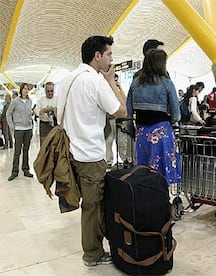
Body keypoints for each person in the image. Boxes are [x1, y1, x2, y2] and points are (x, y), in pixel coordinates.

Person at [56, 35, 126, 266]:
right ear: (97, 56)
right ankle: (92, 254)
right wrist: (110, 82)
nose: (111, 60)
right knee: (92, 207)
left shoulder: (67, 79)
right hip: (90, 155)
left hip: (70, 153)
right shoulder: (94, 81)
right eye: (109, 55)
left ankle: (95, 248)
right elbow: (120, 111)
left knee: (89, 204)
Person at [126, 49, 181, 186]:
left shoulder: (135, 83)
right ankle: (162, 202)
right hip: (162, 134)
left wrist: (132, 130)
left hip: (142, 134)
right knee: (162, 174)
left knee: (142, 172)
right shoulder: (167, 83)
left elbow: (128, 113)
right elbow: (176, 115)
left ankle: (145, 202)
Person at [6, 83, 34, 181]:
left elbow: (30, 114)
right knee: (17, 151)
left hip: (28, 129)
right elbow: (8, 113)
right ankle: (14, 171)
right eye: (24, 88)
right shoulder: (15, 101)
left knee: (26, 150)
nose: (26, 90)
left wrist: (32, 126)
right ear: (21, 90)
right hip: (19, 129)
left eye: (27, 89)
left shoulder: (30, 101)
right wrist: (12, 126)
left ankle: (26, 169)